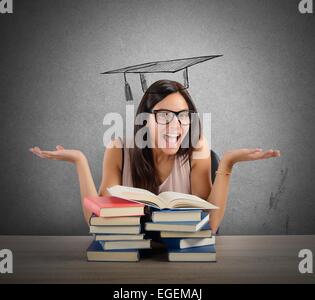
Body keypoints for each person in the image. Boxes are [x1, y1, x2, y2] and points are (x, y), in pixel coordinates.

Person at [29, 80, 281, 235]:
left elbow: (210, 226)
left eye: (183, 115)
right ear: (145, 119)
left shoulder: (197, 149)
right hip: (132, 264)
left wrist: (227, 163)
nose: (175, 125)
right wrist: (79, 161)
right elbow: (98, 223)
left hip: (183, 264)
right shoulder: (119, 150)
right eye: (164, 115)